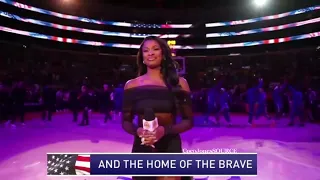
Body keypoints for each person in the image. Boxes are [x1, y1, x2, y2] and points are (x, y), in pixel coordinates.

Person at [122, 36, 193, 180]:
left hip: (170, 145)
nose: (150, 53)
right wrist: (138, 131)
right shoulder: (131, 85)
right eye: (146, 50)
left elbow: (189, 121)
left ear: (163, 54)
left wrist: (164, 130)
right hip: (142, 146)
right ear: (142, 56)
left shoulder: (179, 83)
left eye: (155, 49)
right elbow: (125, 121)